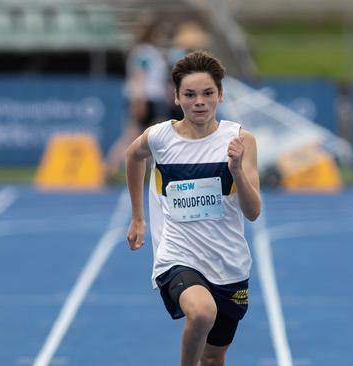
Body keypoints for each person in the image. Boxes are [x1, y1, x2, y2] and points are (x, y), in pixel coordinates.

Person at [125, 51, 261, 366]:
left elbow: (253, 212)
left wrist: (237, 169)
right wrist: (137, 218)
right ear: (176, 97)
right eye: (190, 94)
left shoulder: (240, 140)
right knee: (201, 313)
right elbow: (133, 156)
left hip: (228, 263)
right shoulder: (160, 137)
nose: (199, 101)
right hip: (178, 257)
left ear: (220, 94)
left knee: (214, 357)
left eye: (207, 93)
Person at [105, 15, 172, 179]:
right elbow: (139, 75)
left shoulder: (149, 52)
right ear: (154, 33)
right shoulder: (144, 52)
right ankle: (109, 168)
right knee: (135, 137)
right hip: (146, 99)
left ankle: (146, 172)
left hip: (152, 98)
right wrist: (139, 100)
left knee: (148, 138)